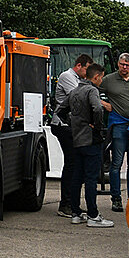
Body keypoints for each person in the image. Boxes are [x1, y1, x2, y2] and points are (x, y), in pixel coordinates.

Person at [66, 63, 114, 227]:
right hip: (91, 140)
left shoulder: (74, 91)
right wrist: (97, 126)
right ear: (96, 77)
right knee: (91, 178)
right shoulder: (92, 90)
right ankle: (93, 215)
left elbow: (60, 109)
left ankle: (76, 212)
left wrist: (74, 124)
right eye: (101, 78)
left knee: (77, 177)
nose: (101, 81)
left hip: (77, 138)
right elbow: (98, 109)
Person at [99, 52, 129, 213]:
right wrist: (104, 103)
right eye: (122, 64)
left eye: (128, 65)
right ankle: (116, 198)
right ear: (118, 64)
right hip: (117, 124)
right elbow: (91, 88)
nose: (124, 68)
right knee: (116, 163)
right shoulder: (109, 80)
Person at [50, 54, 92, 217]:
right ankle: (66, 204)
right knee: (72, 163)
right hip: (63, 125)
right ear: (79, 65)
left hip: (72, 126)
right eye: (87, 69)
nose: (87, 73)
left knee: (75, 163)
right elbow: (80, 97)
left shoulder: (79, 79)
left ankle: (72, 202)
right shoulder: (67, 76)